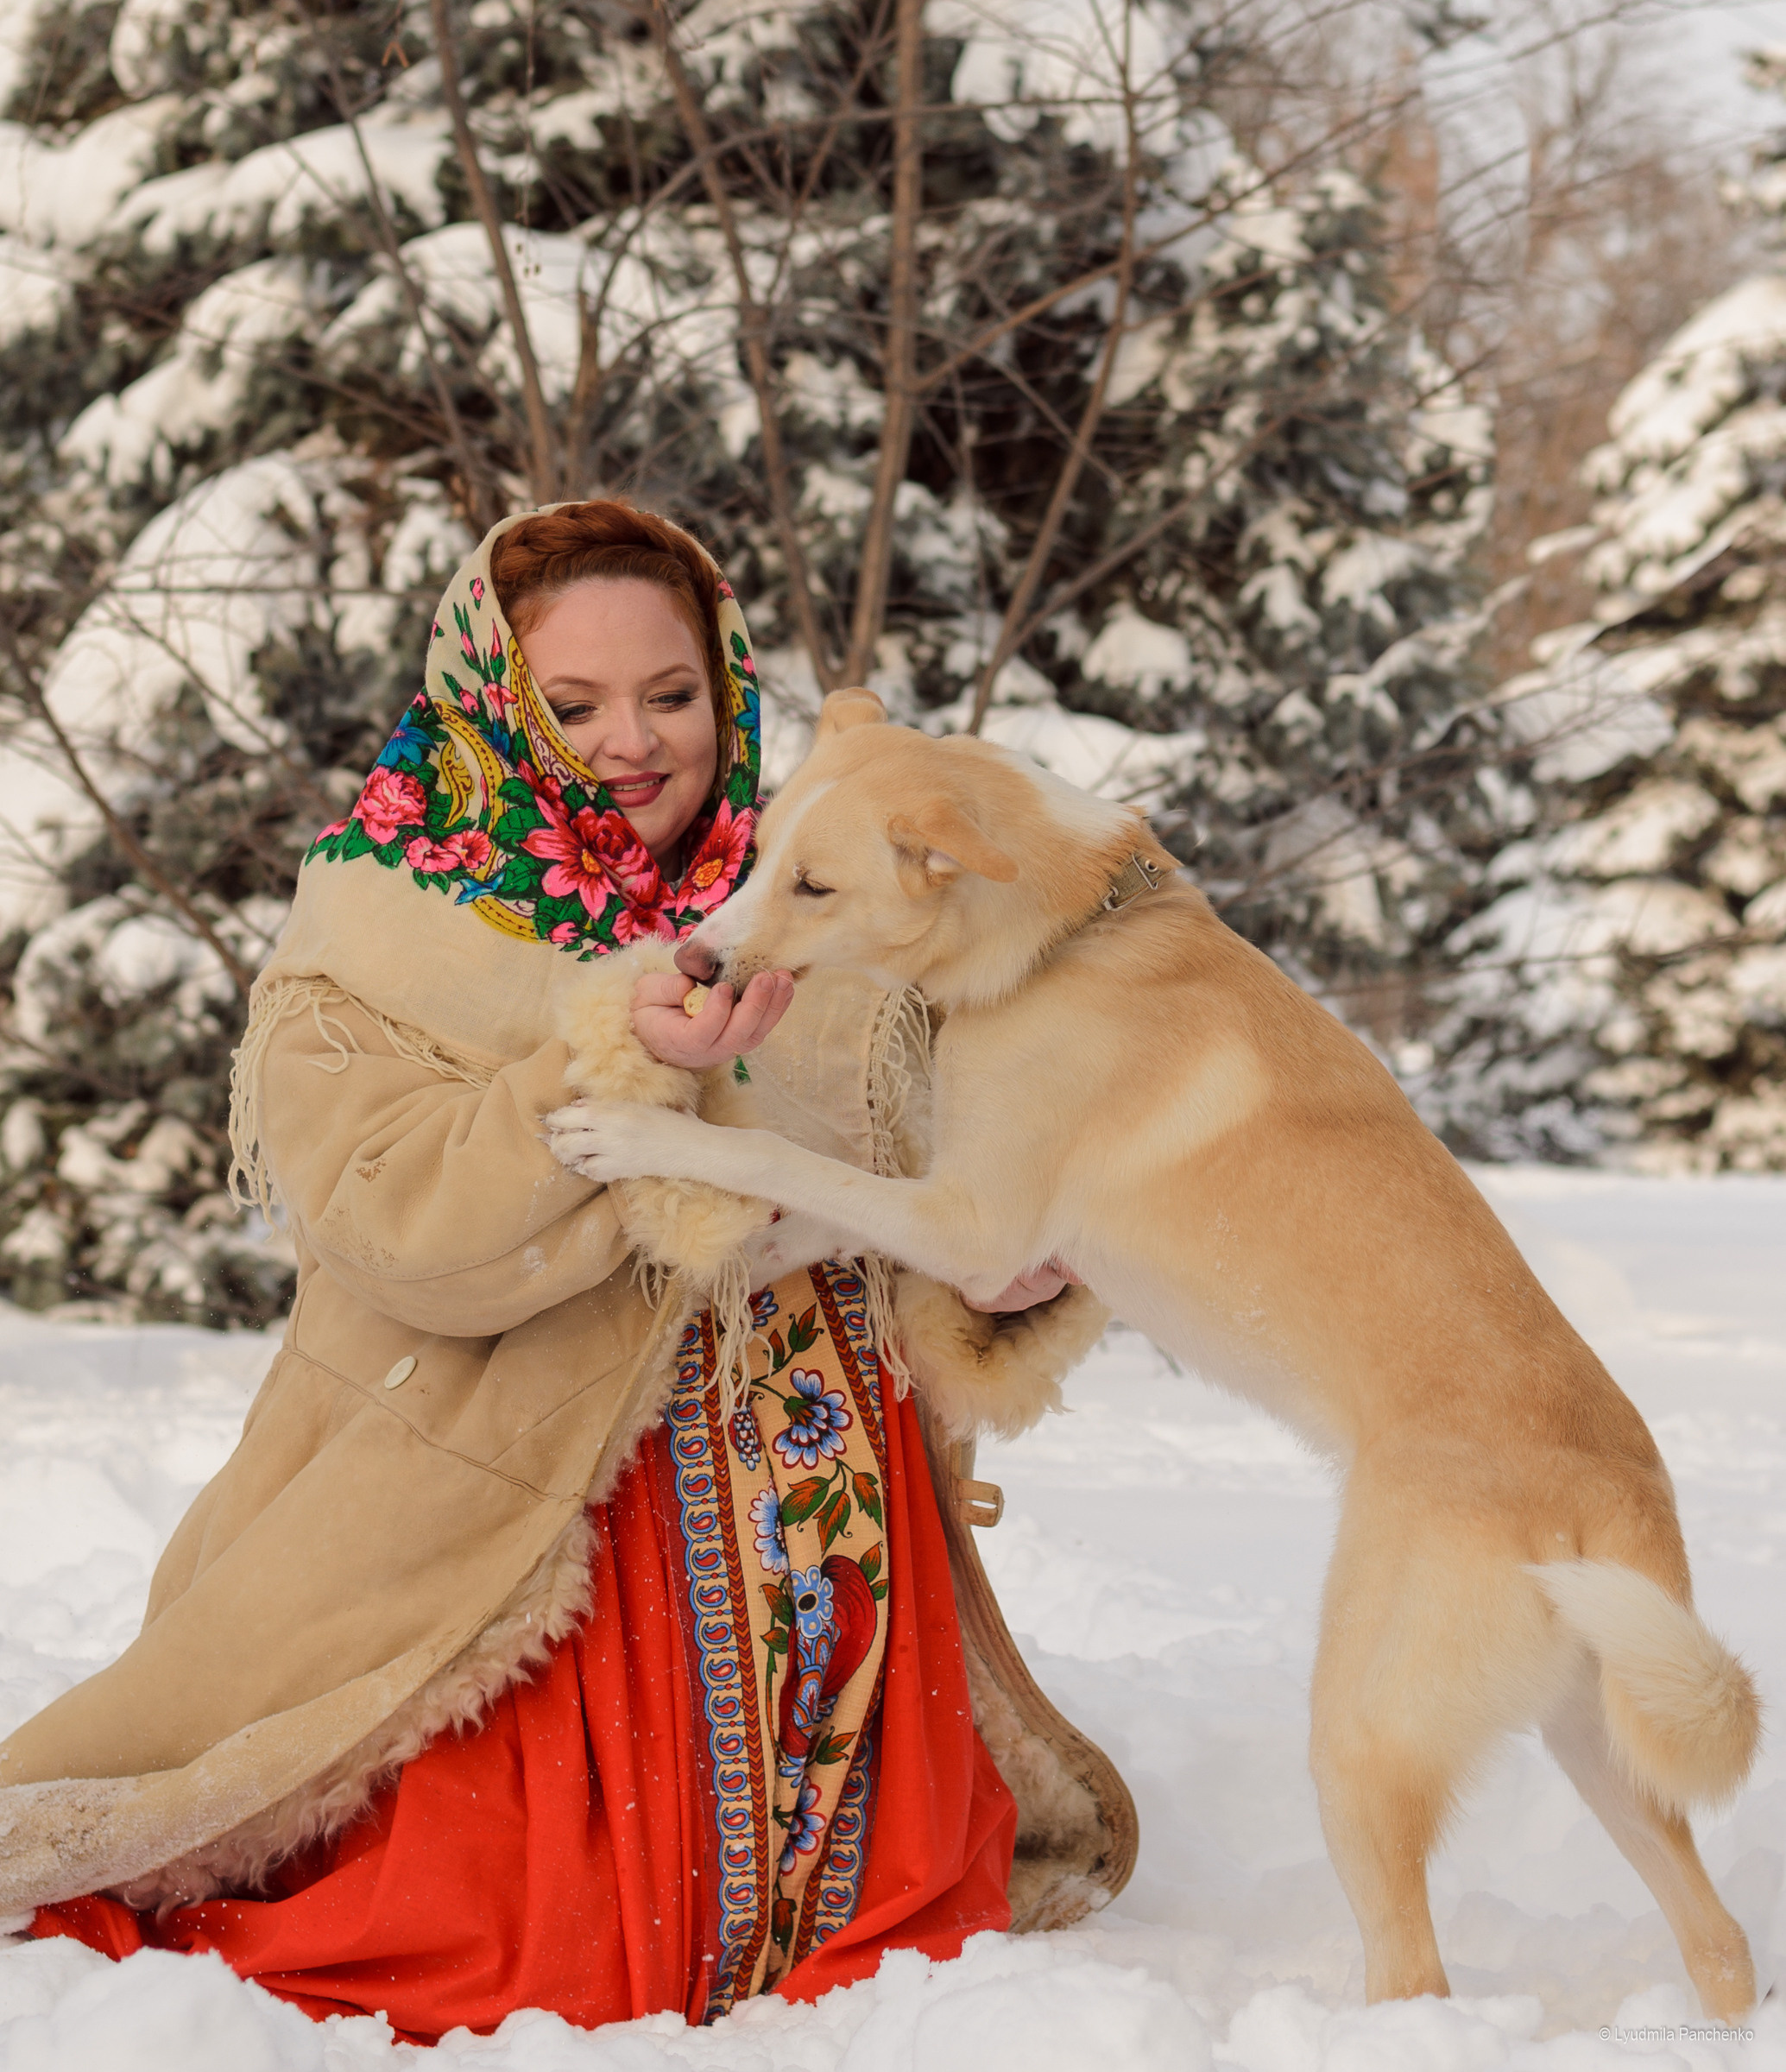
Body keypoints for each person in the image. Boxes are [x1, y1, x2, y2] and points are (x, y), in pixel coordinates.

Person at [0, 502, 1123, 2043]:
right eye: (573, 703)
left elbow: (943, 1168)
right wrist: (615, 1066)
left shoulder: (825, 896)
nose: (631, 743)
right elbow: (401, 1228)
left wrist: (1007, 1269)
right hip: (525, 1509)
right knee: (531, 1958)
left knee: (898, 1935)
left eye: (670, 696)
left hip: (821, 1512)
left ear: (725, 692)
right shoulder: (387, 918)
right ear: (492, 696)